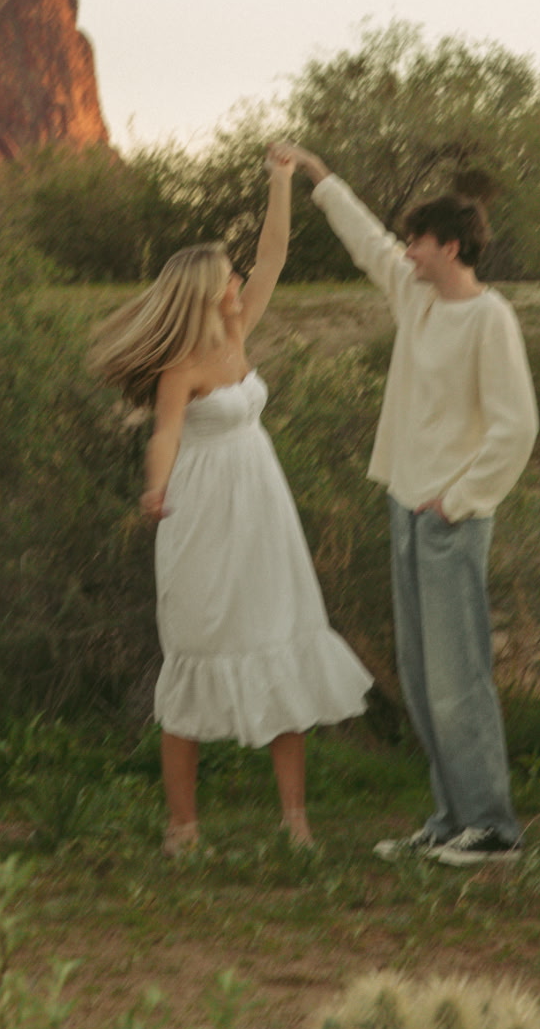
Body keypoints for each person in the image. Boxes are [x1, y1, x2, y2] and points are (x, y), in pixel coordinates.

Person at [89, 147, 371, 856]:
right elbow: (164, 436)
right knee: (196, 647)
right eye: (228, 277)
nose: (240, 280)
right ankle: (182, 828)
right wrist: (154, 489)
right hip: (202, 509)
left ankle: (294, 823)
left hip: (261, 504)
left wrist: (280, 181)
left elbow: (273, 255)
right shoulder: (180, 365)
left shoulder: (238, 330)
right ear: (206, 291)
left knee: (277, 637)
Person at [279, 146, 538, 865]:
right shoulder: (415, 296)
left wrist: (455, 503)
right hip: (406, 506)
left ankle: (492, 829)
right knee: (422, 676)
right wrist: (316, 174)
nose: (404, 250)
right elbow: (364, 238)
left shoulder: (490, 320)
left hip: (450, 519)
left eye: (417, 241)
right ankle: (451, 817)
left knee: (458, 678)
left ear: (448, 248)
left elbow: (516, 427)